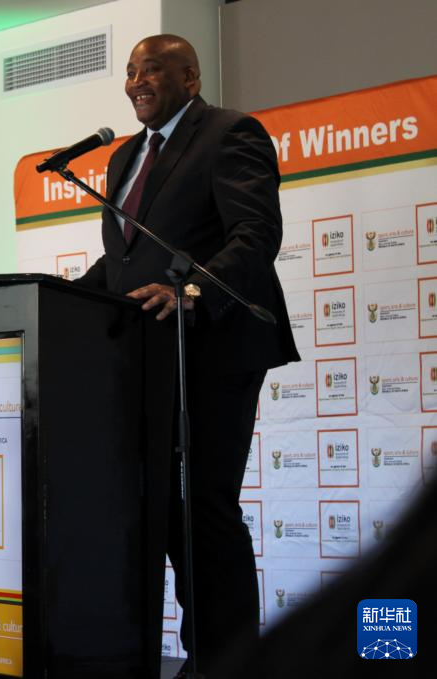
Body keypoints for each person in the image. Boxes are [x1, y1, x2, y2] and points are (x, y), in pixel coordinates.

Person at [76, 34, 300, 673]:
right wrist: (59, 295)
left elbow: (256, 234)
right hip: (148, 355)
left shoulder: (229, 134)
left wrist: (193, 291)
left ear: (191, 78)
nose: (136, 81)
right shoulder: (125, 157)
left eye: (151, 70)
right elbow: (125, 262)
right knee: (165, 514)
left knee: (203, 508)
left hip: (215, 348)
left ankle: (226, 662)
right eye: (129, 71)